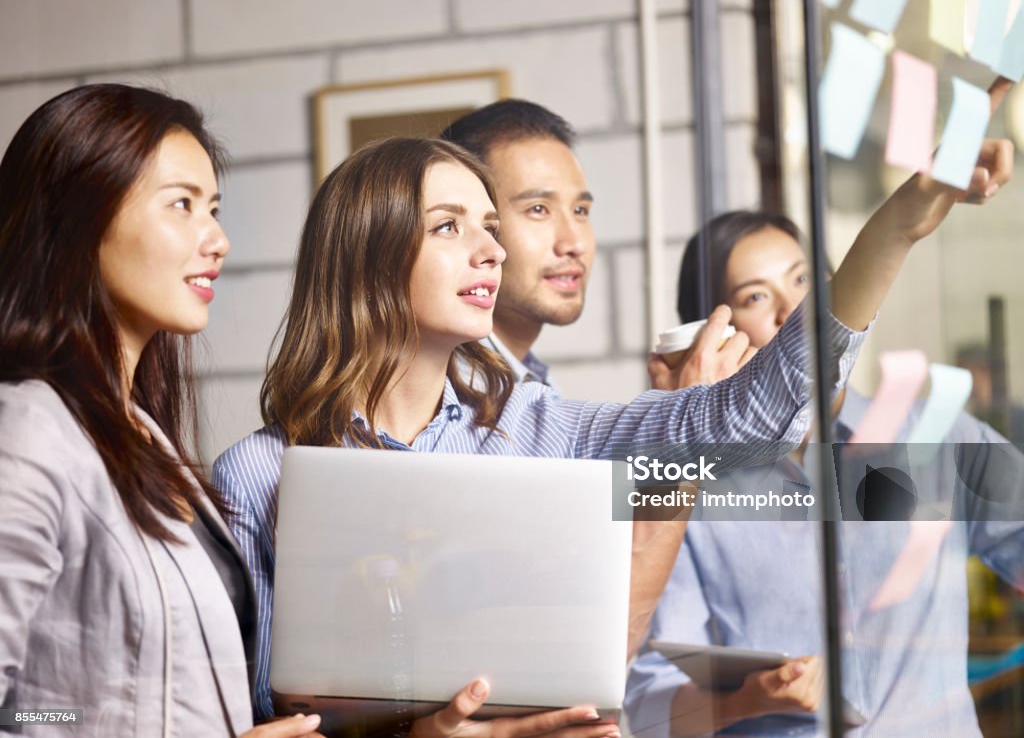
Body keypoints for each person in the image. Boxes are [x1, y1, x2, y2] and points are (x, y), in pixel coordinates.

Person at [211, 124, 990, 730]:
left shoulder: (539, 428)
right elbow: (254, 720)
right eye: (450, 226)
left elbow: (756, 419)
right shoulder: (256, 475)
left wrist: (895, 230)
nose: (490, 249)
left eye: (490, 225)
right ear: (367, 254)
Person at [625, 200, 1024, 736]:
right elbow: (648, 710)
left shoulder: (935, 437)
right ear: (713, 335)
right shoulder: (687, 494)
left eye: (806, 280)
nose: (794, 311)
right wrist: (750, 698)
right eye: (756, 296)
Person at [0, 85, 323, 737]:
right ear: (79, 218)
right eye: (182, 205)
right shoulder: (28, 431)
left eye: (214, 209)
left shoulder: (142, 437)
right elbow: (22, 713)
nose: (219, 240)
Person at [440, 99, 594, 388]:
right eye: (538, 209)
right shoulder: (439, 395)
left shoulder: (529, 381)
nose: (574, 244)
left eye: (580, 211)